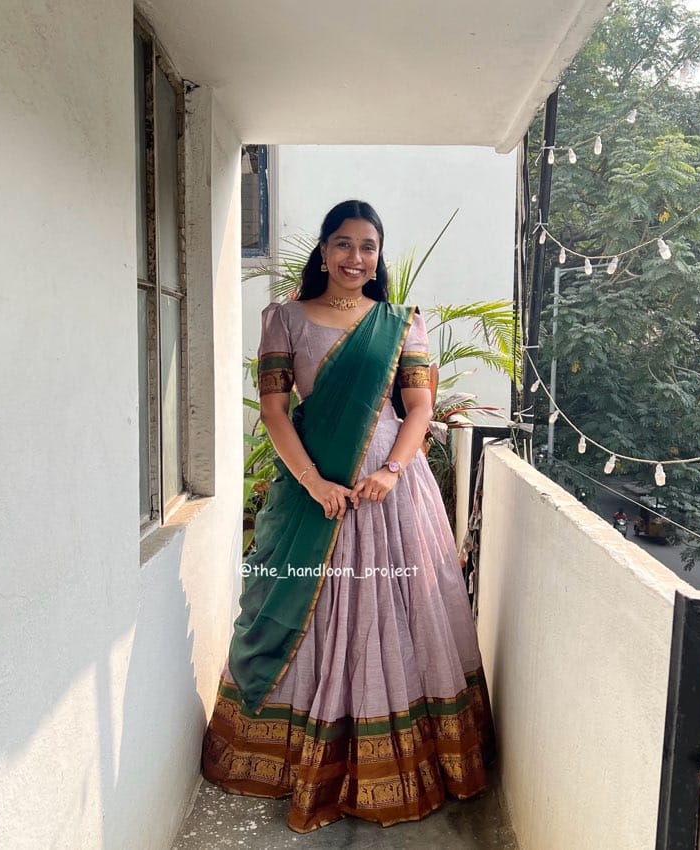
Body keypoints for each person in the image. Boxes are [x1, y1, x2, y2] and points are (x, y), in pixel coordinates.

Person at [201, 200, 495, 833]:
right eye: (342, 243)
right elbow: (274, 411)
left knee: (396, 610)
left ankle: (397, 758)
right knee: (310, 608)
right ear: (324, 250)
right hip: (315, 488)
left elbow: (419, 407)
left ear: (378, 256)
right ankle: (298, 755)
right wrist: (313, 483)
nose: (354, 257)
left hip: (390, 492)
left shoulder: (400, 322)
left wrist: (391, 470)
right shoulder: (285, 319)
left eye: (367, 246)